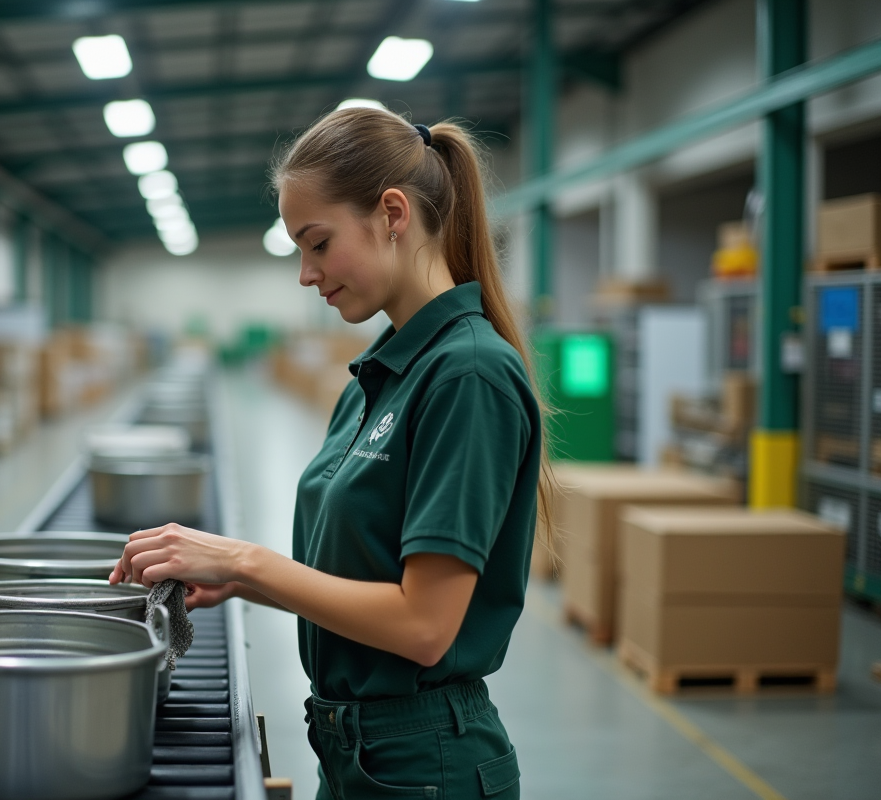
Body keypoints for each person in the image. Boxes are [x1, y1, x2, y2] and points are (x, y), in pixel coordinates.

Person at [110, 107, 556, 799]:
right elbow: (366, 570)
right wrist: (244, 582)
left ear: (392, 214)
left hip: (424, 764)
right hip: (354, 752)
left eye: (317, 243)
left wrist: (248, 561)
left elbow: (424, 627)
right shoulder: (376, 378)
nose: (305, 274)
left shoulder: (468, 374)